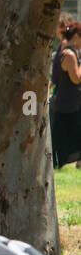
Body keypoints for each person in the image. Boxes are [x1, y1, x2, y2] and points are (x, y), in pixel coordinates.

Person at [51, 21, 81, 169]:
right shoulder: (69, 54)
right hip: (68, 104)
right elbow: (76, 78)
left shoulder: (67, 51)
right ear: (76, 36)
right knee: (66, 137)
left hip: (69, 102)